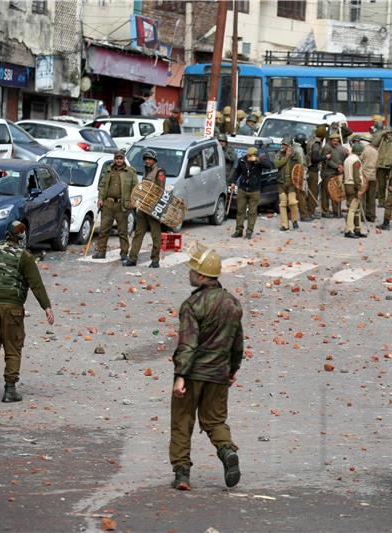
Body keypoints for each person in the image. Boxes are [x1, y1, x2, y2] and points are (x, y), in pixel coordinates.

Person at [169, 242, 244, 491]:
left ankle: (182, 474)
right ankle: (226, 451)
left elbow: (187, 343)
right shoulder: (232, 304)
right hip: (219, 373)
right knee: (215, 421)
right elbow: (237, 342)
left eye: (193, 271)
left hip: (192, 375)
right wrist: (233, 370)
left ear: (202, 276)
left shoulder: (192, 305)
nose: (189, 274)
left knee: (182, 421)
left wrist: (180, 376)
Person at [0, 221, 55, 402]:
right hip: (13, 309)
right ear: (22, 237)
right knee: (13, 347)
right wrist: (46, 307)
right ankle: (10, 390)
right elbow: (36, 284)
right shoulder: (25, 257)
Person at [92, 150, 138, 260]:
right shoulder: (108, 170)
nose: (119, 160)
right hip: (108, 204)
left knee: (122, 232)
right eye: (117, 158)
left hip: (122, 205)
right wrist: (100, 199)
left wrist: (133, 202)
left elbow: (135, 188)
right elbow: (102, 186)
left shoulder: (130, 172)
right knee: (104, 230)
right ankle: (101, 252)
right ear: (114, 159)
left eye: (121, 158)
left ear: (124, 159)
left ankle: (124, 253)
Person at [124, 150, 162, 268]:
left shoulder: (159, 172)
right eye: (146, 159)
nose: (147, 161)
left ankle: (155, 260)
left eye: (150, 159)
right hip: (142, 208)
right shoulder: (146, 172)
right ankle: (132, 258)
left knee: (155, 235)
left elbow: (160, 191)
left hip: (152, 208)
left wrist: (153, 204)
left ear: (154, 160)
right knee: (138, 234)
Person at [232, 147, 271, 239]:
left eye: (253, 156)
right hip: (243, 188)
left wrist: (257, 159)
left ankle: (249, 231)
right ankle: (238, 230)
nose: (250, 158)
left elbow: (269, 165)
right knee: (240, 210)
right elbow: (237, 171)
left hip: (255, 190)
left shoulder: (259, 162)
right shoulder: (242, 160)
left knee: (252, 212)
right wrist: (233, 182)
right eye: (249, 156)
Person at [275, 137, 302, 231]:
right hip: (281, 183)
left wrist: (299, 182)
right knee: (282, 203)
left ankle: (294, 220)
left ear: (290, 145)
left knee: (292, 202)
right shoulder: (279, 154)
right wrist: (286, 156)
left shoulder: (296, 155)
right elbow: (277, 164)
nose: (283, 146)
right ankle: (284, 225)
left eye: (285, 145)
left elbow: (300, 168)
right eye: (283, 144)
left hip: (292, 183)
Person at [343, 143, 367, 238]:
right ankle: (349, 230)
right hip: (353, 185)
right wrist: (359, 189)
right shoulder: (356, 161)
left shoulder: (347, 159)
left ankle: (357, 228)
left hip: (347, 184)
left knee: (356, 209)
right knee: (352, 209)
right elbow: (356, 176)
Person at [320, 132, 346, 218]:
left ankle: (337, 212)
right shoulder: (326, 148)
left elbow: (345, 159)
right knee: (326, 193)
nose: (336, 142)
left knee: (337, 193)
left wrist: (342, 167)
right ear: (330, 140)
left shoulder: (341, 148)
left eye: (337, 141)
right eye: (334, 141)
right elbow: (326, 161)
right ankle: (325, 211)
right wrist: (338, 166)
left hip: (337, 173)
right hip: (328, 173)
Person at [305, 124, 326, 219]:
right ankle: (310, 211)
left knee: (312, 192)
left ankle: (311, 210)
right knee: (313, 192)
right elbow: (314, 158)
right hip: (313, 170)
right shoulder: (316, 144)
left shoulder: (311, 139)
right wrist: (325, 157)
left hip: (310, 169)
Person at [360, 133, 379, 222]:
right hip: (373, 176)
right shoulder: (376, 151)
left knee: (362, 197)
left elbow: (359, 160)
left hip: (364, 176)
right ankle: (371, 216)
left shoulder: (364, 150)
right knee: (371, 198)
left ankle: (361, 215)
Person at [373, 128, 392, 207]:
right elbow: (374, 143)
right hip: (381, 165)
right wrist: (381, 135)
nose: (389, 135)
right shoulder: (381, 141)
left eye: (390, 133)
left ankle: (391, 202)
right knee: (381, 185)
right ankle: (381, 202)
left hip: (391, 165)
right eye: (387, 133)